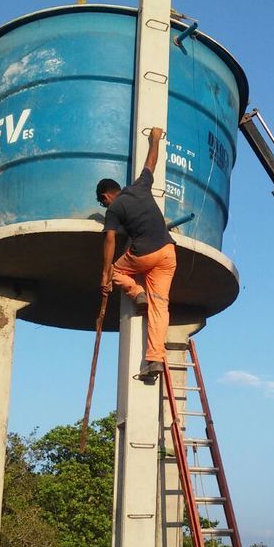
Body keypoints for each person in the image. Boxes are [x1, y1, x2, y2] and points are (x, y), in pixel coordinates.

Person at [97, 127, 176, 380]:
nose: (104, 205)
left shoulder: (114, 208)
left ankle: (137, 293)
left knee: (117, 271)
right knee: (159, 307)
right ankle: (154, 359)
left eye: (102, 202)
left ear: (106, 195)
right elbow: (150, 161)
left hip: (143, 254)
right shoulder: (141, 185)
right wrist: (154, 138)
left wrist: (105, 273)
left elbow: (110, 239)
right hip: (167, 253)